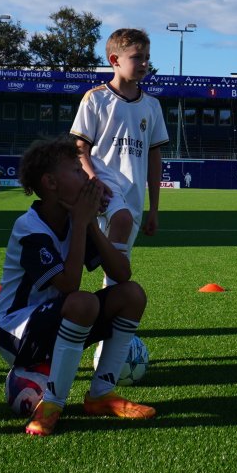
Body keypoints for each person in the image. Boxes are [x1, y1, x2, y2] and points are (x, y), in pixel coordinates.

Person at [0, 137, 155, 436]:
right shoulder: (29, 227)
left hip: (59, 321)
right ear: (51, 182)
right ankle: (52, 404)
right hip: (16, 333)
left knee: (133, 295)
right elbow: (69, 285)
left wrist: (90, 223)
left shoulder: (76, 219)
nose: (87, 177)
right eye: (77, 171)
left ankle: (100, 394)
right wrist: (82, 223)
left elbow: (121, 273)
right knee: (83, 302)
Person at [70, 28, 169, 287]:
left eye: (147, 57)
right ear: (115, 60)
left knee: (115, 260)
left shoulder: (152, 106)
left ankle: (107, 313)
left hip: (134, 192)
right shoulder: (96, 99)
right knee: (118, 225)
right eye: (138, 57)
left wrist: (155, 209)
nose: (145, 63)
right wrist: (94, 180)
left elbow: (154, 157)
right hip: (102, 184)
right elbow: (80, 147)